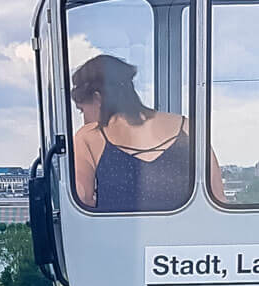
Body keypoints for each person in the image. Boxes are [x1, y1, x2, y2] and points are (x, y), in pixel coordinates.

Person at [71, 54, 223, 211]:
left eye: (82, 110)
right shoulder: (188, 128)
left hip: (119, 234)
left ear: (98, 98)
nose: (84, 119)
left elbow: (82, 201)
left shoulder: (89, 137)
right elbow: (217, 197)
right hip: (186, 234)